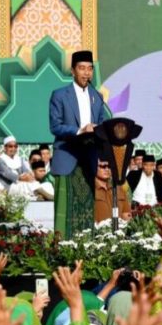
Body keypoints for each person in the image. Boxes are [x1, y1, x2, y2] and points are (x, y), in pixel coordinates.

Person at [48, 49, 109, 235]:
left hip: (88, 159)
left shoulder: (97, 96)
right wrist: (79, 130)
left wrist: (102, 129)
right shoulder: (59, 95)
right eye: (81, 68)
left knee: (85, 211)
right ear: (73, 70)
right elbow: (55, 126)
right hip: (67, 156)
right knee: (64, 211)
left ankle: (85, 251)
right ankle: (60, 251)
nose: (86, 73)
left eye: (90, 69)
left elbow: (104, 123)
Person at [93, 158, 129, 223]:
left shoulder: (119, 189)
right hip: (99, 231)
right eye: (103, 166)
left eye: (109, 166)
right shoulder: (89, 190)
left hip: (120, 230)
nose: (107, 169)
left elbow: (126, 213)